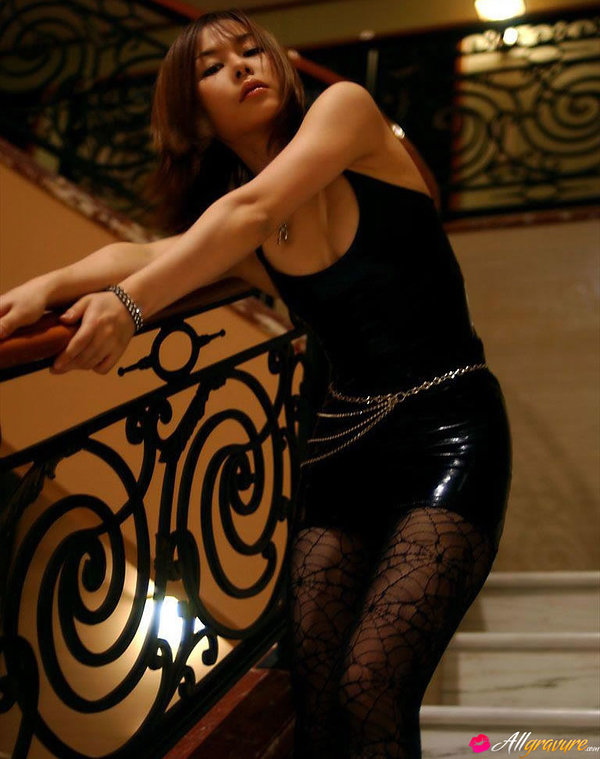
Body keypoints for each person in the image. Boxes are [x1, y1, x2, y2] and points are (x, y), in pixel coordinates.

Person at [0, 9, 512, 758]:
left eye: (250, 51)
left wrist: (130, 306)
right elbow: (150, 250)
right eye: (212, 67)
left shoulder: (346, 110)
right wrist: (47, 285)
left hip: (450, 431)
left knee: (369, 685)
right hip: (340, 455)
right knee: (314, 699)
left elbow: (251, 208)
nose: (242, 66)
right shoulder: (241, 233)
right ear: (193, 115)